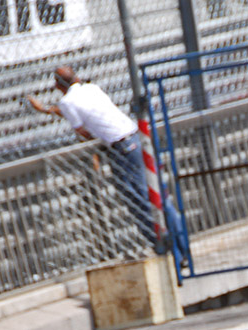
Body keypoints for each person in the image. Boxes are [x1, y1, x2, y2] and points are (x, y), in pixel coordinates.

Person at [28, 66, 176, 251]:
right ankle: (180, 244)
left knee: (138, 199)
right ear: (77, 77)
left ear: (58, 85)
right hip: (136, 138)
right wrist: (46, 109)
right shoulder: (92, 88)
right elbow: (80, 110)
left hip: (122, 149)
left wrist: (93, 146)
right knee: (157, 193)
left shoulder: (67, 102)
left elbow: (82, 131)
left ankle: (163, 246)